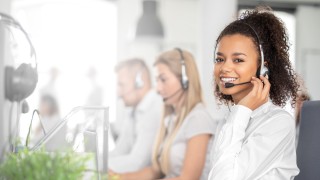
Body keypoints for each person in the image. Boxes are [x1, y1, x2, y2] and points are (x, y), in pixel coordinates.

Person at [208, 6, 300, 179]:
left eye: (238, 60)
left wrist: (242, 111)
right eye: (219, 59)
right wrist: (241, 112)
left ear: (263, 68)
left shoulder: (278, 122)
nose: (225, 67)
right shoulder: (229, 120)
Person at [112, 48, 216, 180]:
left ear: (185, 81)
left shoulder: (198, 118)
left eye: (163, 80)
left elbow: (188, 178)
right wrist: (117, 177)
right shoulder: (172, 119)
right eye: (157, 81)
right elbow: (156, 171)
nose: (158, 88)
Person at [109, 58, 162, 173]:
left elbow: (137, 162)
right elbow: (119, 151)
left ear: (140, 82)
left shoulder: (155, 108)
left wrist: (96, 167)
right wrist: (89, 162)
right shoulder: (133, 109)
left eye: (122, 85)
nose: (118, 93)